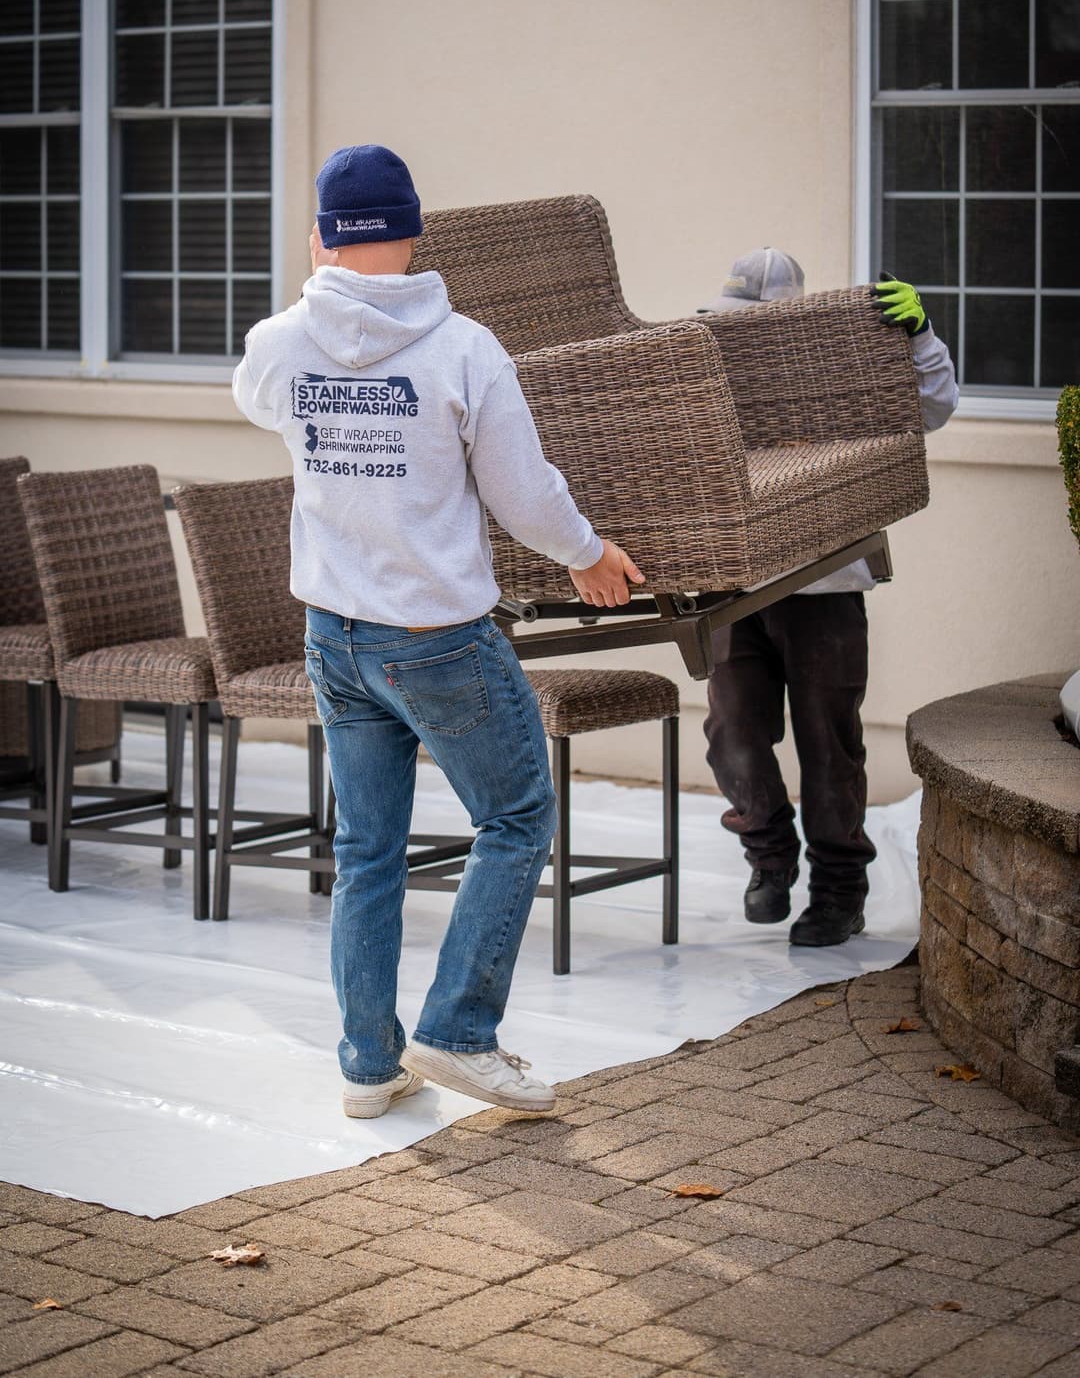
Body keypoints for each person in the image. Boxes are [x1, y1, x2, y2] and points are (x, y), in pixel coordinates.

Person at [233, 144, 642, 1118]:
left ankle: (369, 1067)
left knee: (369, 851)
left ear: (323, 236)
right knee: (517, 818)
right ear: (415, 232)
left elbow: (256, 398)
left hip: (334, 635)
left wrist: (319, 303)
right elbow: (523, 494)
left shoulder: (286, 342)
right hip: (437, 639)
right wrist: (587, 555)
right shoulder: (463, 348)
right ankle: (458, 1030)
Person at [697, 249, 958, 947]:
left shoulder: (838, 366)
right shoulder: (709, 363)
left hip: (826, 587)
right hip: (731, 587)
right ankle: (770, 858)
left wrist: (920, 337)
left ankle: (839, 893)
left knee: (829, 745)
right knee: (733, 735)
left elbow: (930, 410)